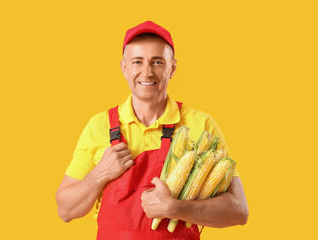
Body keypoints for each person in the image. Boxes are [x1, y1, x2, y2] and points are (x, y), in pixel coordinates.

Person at [56, 21, 248, 240]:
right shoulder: (99, 126)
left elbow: (239, 210)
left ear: (172, 67)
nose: (146, 72)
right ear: (124, 68)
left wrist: (176, 208)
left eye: (157, 62)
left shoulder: (201, 125)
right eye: (137, 62)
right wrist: (100, 174)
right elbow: (66, 211)